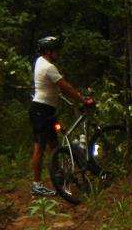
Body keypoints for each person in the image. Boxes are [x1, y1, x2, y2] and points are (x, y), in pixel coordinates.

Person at [29, 35, 94, 196]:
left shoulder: (40, 61)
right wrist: (83, 99)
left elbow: (53, 88)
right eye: (56, 51)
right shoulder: (48, 67)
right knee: (40, 145)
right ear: (48, 51)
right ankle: (36, 185)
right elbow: (66, 87)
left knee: (53, 144)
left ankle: (57, 177)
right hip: (41, 110)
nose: (59, 54)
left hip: (46, 109)